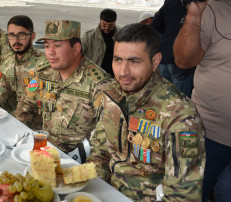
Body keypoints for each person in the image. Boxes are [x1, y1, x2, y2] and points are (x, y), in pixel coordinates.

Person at [87, 23, 205, 201]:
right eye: (118, 60)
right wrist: (91, 191)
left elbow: (182, 195)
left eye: (134, 61)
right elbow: (100, 153)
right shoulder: (111, 94)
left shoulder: (180, 114)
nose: (123, 71)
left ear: (155, 61)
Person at [16, 20, 111, 163]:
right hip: (44, 151)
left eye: (57, 46)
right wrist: (19, 142)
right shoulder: (44, 72)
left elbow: (106, 136)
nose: (50, 52)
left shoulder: (99, 83)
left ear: (76, 49)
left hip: (77, 159)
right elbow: (26, 106)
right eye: (47, 46)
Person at [173, 0, 231, 202]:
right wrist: (194, 15)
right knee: (193, 193)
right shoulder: (213, 9)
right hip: (211, 133)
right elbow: (183, 60)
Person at [0, 15, 46, 115]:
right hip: (8, 116)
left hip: (32, 125)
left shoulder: (44, 64)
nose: (15, 40)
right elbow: (1, 93)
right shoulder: (7, 60)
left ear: (32, 36)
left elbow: (35, 106)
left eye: (21, 35)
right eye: (11, 35)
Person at [151, 0, 195, 98]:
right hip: (183, 61)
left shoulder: (170, 1)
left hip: (164, 58)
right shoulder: (201, 2)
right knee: (181, 102)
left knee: (165, 97)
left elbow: (155, 26)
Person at [81, 8, 121, 77]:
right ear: (100, 20)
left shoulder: (122, 34)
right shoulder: (88, 35)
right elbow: (79, 54)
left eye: (111, 25)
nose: (107, 27)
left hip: (115, 75)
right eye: (104, 24)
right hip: (93, 75)